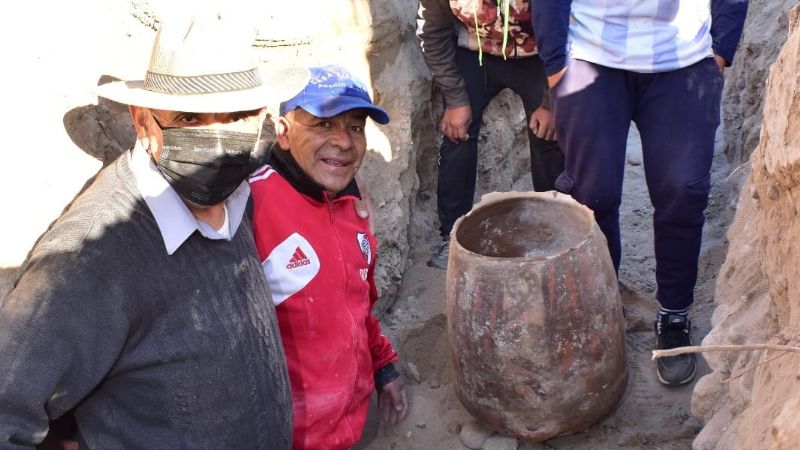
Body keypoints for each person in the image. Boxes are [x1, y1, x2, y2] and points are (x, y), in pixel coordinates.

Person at [0, 10, 294, 448]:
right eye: (191, 120)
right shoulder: (91, 259)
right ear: (143, 122)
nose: (218, 143)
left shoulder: (238, 190)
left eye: (237, 116)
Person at [531, 1, 749, 386]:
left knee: (683, 191)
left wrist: (720, 50)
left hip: (684, 60)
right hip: (590, 56)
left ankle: (674, 313)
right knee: (591, 196)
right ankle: (600, 307)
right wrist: (556, 68)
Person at [249, 65, 408, 450]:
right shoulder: (247, 209)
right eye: (323, 125)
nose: (343, 142)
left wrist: (384, 367)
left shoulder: (353, 204)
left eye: (355, 127)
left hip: (345, 427)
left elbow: (357, 302)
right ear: (284, 132)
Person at [417, 0, 565, 269]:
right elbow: (432, 33)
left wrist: (550, 101)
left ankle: (556, 233)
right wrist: (455, 98)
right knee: (456, 134)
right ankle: (451, 236)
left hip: (540, 58)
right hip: (475, 54)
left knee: (548, 136)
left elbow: (567, 32)